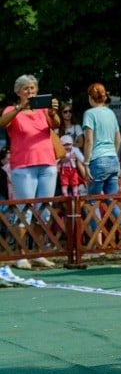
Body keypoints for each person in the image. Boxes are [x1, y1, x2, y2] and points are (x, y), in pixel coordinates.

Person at [0, 75, 59, 268]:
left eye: (33, 88)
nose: (30, 92)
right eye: (26, 89)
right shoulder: (11, 110)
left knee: (44, 212)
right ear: (18, 92)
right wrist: (20, 108)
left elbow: (56, 124)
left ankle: (39, 252)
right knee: (24, 211)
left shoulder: (42, 110)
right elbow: (2, 122)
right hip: (24, 166)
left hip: (47, 164)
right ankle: (20, 254)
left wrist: (52, 112)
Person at [83, 83, 121, 231]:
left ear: (90, 97)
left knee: (92, 201)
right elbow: (118, 139)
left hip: (97, 160)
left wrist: (86, 163)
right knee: (111, 200)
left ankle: (97, 243)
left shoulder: (89, 114)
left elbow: (89, 140)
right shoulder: (110, 113)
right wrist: (112, 153)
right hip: (113, 159)